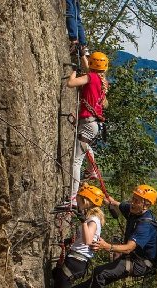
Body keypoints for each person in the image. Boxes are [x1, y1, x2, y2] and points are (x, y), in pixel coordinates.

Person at [68, 184, 157, 288]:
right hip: (133, 257)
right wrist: (97, 195)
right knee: (97, 278)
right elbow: (114, 203)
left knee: (100, 273)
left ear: (146, 205)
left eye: (136, 201)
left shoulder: (145, 225)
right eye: (133, 198)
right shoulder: (134, 210)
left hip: (139, 264)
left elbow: (129, 248)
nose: (132, 202)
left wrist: (106, 246)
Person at [46, 184, 107, 288]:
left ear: (86, 201)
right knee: (55, 274)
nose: (77, 202)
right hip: (79, 263)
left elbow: (88, 240)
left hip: (75, 262)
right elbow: (86, 241)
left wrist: (81, 220)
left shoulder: (92, 220)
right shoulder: (93, 219)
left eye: (79, 199)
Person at [65, 51, 109, 202]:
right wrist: (83, 55)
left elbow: (71, 83)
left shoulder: (90, 77)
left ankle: (72, 198)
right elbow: (89, 70)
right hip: (94, 124)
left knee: (76, 162)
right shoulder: (102, 81)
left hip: (87, 123)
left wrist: (73, 72)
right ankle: (92, 170)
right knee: (85, 147)